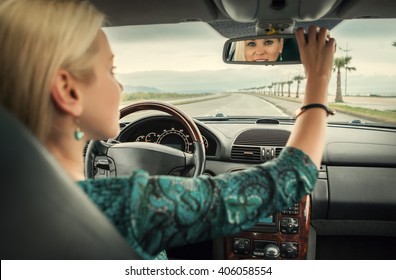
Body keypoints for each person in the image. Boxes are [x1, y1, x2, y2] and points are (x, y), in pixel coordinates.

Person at [0, 0, 336, 260]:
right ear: (69, 90)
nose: (120, 84)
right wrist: (318, 83)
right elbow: (291, 178)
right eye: (110, 69)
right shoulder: (128, 206)